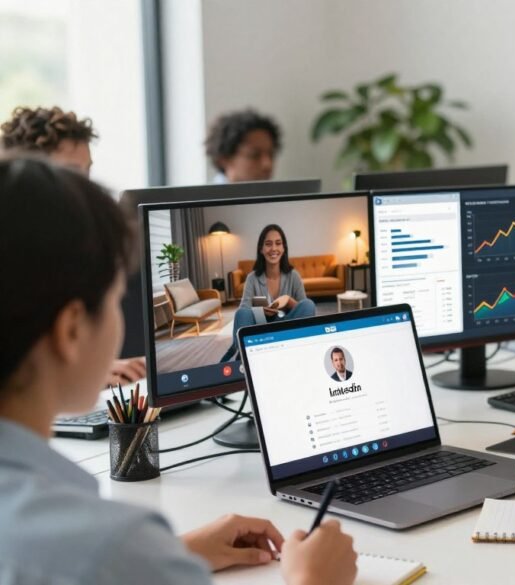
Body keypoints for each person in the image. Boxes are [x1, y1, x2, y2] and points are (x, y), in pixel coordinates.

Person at [0, 156, 357, 584]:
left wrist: (166, 553)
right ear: (71, 331)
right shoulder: (105, 546)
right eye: (116, 299)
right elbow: (99, 558)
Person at [0, 105, 146, 385]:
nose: (86, 186)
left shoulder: (91, 245)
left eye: (87, 172)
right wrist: (91, 373)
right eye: (71, 174)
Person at [220, 224, 316, 362]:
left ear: (283, 248)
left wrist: (289, 301)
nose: (273, 248)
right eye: (268, 244)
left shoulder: (293, 276)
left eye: (278, 243)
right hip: (261, 331)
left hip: (287, 330)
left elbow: (305, 310)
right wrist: (260, 311)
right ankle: (241, 355)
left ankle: (293, 350)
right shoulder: (252, 278)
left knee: (308, 304)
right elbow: (244, 310)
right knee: (241, 313)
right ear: (261, 249)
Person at [205, 108, 281, 183]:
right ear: (225, 159)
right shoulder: (206, 191)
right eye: (255, 155)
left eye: (271, 155)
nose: (267, 165)